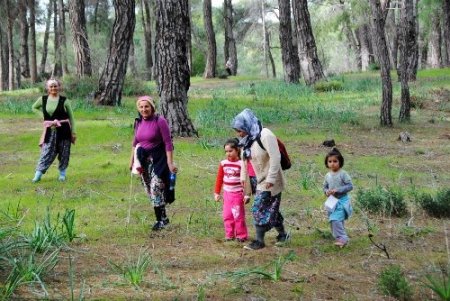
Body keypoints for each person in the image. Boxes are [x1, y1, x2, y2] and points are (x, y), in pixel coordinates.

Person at [232, 108, 289, 250]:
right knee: (270, 208)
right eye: (237, 131)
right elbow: (245, 161)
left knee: (258, 209)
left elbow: (276, 157)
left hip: (268, 181)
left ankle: (259, 241)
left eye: (240, 130)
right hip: (254, 180)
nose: (239, 134)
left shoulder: (265, 135)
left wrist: (271, 178)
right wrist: (243, 181)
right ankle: (283, 234)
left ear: (247, 125)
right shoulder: (247, 139)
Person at [130, 95, 177, 231]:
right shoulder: (138, 122)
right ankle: (163, 218)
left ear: (152, 107)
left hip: (159, 159)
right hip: (143, 160)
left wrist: (170, 163)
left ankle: (159, 220)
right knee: (149, 189)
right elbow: (135, 142)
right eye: (141, 107)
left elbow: (168, 142)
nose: (144, 109)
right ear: (138, 108)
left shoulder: (159, 121)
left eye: (147, 106)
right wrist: (132, 161)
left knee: (156, 187)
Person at [32, 78, 76, 182]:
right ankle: (37, 176)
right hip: (49, 131)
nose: (53, 88)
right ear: (47, 88)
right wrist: (43, 116)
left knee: (64, 152)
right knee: (46, 152)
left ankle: (62, 174)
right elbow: (34, 107)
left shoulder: (64, 100)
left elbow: (72, 118)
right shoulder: (42, 99)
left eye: (55, 86)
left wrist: (73, 132)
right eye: (51, 86)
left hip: (64, 130)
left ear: (59, 87)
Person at [214, 138, 250, 243]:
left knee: (238, 215)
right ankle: (229, 235)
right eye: (226, 151)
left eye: (230, 151)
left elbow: (246, 180)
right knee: (227, 215)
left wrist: (246, 194)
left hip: (238, 194)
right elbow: (219, 179)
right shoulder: (223, 163)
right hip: (227, 194)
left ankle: (241, 235)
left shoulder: (241, 164)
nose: (228, 153)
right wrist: (216, 192)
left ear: (237, 150)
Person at [323, 148, 353, 248]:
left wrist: (338, 190)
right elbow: (325, 186)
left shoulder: (343, 174)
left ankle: (343, 238)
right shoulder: (327, 175)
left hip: (342, 201)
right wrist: (327, 191)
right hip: (332, 201)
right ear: (327, 163)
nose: (332, 164)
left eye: (335, 161)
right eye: (330, 161)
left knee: (335, 219)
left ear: (340, 162)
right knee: (333, 219)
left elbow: (350, 186)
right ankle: (338, 236)